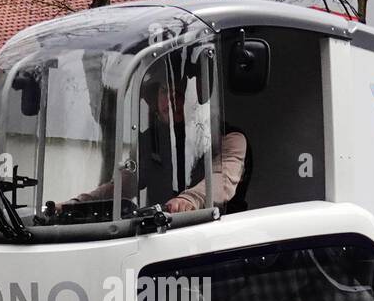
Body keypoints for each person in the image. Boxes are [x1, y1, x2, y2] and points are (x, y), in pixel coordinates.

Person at [66, 74, 248, 214]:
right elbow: (125, 184)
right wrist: (78, 204)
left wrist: (188, 201)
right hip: (161, 235)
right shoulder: (149, 141)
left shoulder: (229, 138)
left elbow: (221, 178)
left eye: (179, 93)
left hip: (219, 240)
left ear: (196, 100)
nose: (170, 99)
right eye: (164, 91)